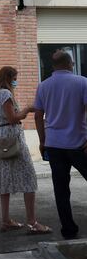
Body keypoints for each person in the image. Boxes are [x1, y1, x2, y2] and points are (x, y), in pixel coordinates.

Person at [0, 66, 51, 234]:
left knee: (4, 178)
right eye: (15, 78)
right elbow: (13, 118)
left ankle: (6, 220)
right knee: (28, 177)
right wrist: (26, 110)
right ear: (8, 78)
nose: (16, 81)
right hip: (13, 137)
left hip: (1, 138)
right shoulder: (5, 94)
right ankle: (32, 222)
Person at [34, 50, 87, 240]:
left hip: (54, 145)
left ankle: (69, 230)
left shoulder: (43, 86)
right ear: (70, 64)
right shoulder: (82, 82)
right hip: (79, 144)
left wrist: (42, 141)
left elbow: (38, 115)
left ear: (53, 66)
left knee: (61, 190)